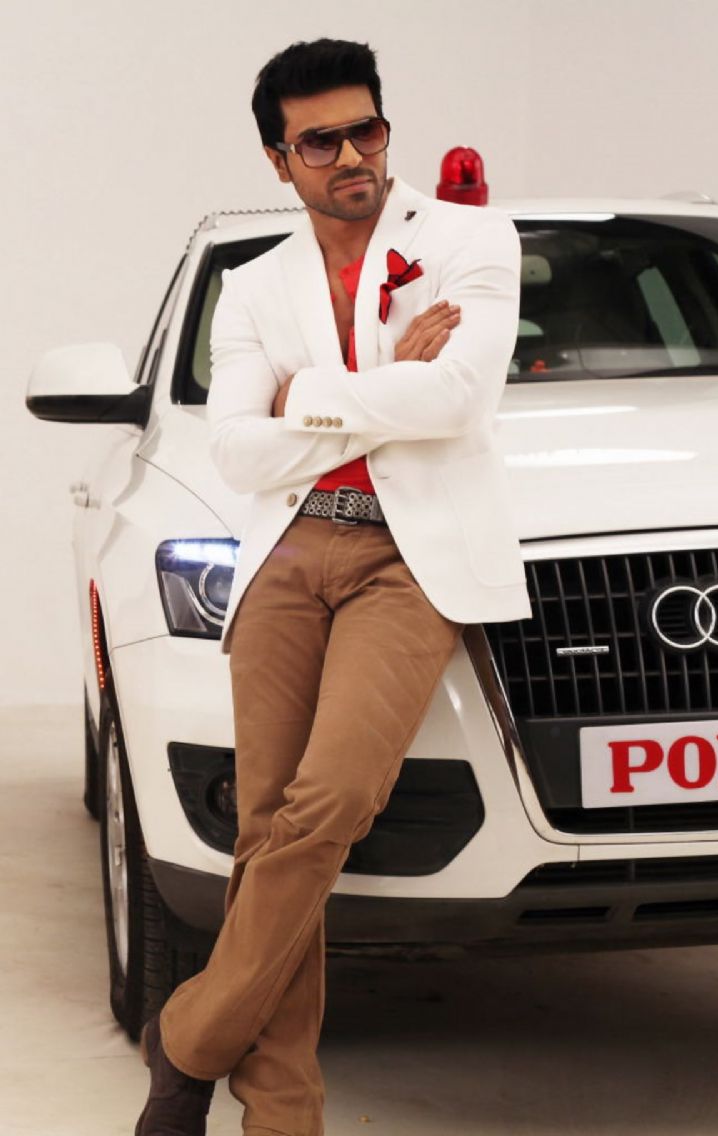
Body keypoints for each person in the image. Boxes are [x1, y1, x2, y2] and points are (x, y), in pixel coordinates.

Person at [135, 36, 531, 1136]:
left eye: (368, 130)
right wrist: (385, 380)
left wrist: (307, 397)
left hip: (410, 559)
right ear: (280, 160)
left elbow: (460, 400)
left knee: (334, 803)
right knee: (267, 827)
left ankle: (188, 1037)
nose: (353, 155)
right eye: (322, 141)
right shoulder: (256, 285)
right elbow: (237, 451)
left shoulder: (467, 239)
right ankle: (283, 1115)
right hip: (288, 551)